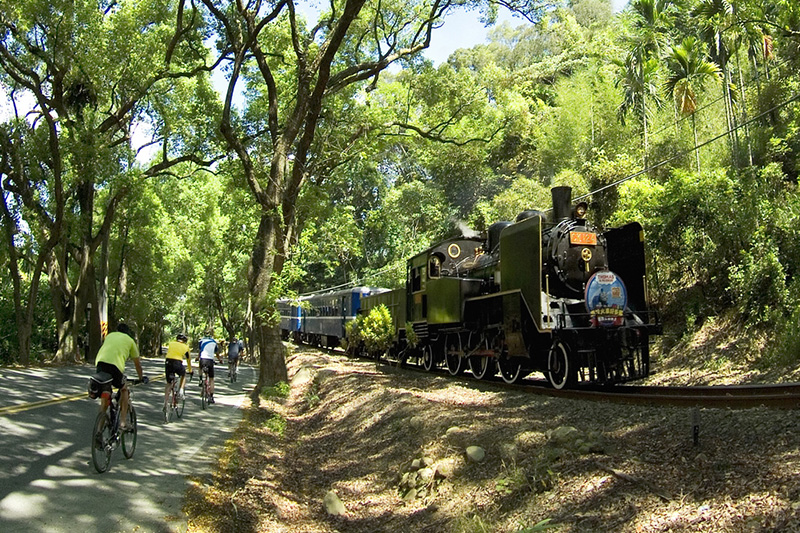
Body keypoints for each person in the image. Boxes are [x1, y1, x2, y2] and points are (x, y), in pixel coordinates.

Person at [95, 323, 147, 430]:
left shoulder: (110, 335)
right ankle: (123, 422)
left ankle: (99, 430)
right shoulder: (130, 341)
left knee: (106, 395)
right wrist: (141, 378)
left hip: (100, 365)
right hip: (115, 367)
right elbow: (137, 364)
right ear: (128, 333)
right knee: (124, 390)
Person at [164, 333, 192, 414]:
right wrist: (190, 370)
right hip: (177, 363)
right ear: (185, 341)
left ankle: (165, 402)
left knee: (169, 383)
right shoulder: (186, 347)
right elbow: (188, 360)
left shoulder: (171, 344)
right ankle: (181, 391)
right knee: (183, 375)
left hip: (168, 362)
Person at [197, 331, 222, 403]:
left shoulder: (201, 341)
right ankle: (211, 396)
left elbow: (200, 351)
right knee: (211, 379)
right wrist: (220, 360)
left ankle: (201, 379)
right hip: (210, 361)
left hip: (203, 359)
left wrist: (197, 357)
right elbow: (217, 353)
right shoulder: (214, 342)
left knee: (200, 368)